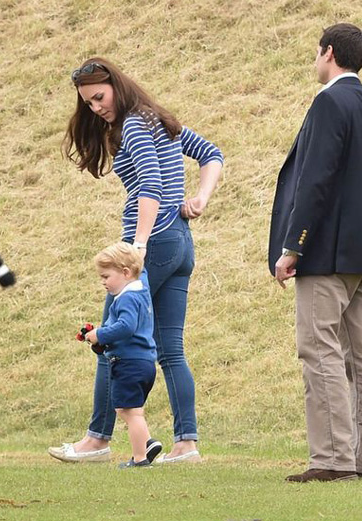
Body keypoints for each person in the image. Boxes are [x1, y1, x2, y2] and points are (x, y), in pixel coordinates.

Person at [48, 57, 223, 464]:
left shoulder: (134, 124)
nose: (95, 108)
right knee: (170, 349)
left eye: (99, 97)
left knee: (111, 337)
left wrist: (138, 244)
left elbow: (150, 183)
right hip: (179, 241)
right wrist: (200, 198)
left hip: (151, 244)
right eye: (88, 103)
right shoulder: (156, 118)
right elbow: (211, 154)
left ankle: (97, 438)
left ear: (116, 85)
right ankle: (186, 444)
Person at [269, 23, 362, 482]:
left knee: (319, 350)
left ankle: (331, 459)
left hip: (324, 253)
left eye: (316, 53)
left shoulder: (330, 102)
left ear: (328, 53)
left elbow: (315, 180)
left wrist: (293, 246)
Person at [82, 242, 162, 468]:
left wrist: (101, 334)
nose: (103, 282)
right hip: (143, 361)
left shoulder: (127, 298)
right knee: (131, 409)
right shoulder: (140, 292)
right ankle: (148, 443)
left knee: (129, 411)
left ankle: (139, 458)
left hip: (130, 363)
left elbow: (126, 327)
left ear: (126, 273)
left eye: (106, 276)